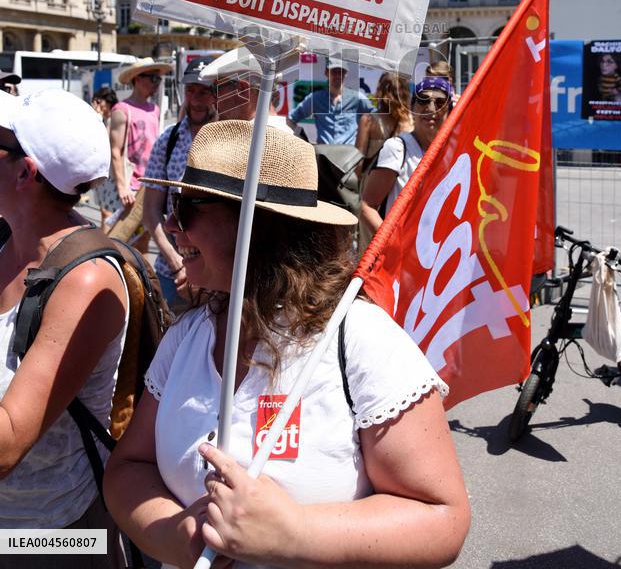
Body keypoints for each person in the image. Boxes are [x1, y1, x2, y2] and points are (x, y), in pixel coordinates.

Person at [104, 121, 470, 569]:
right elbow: (128, 469)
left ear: (256, 225)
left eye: (188, 208)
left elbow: (443, 516)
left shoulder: (358, 339)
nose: (171, 226)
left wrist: (296, 533)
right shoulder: (188, 336)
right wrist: (174, 533)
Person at [0, 89, 128, 565]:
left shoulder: (86, 279)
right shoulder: (7, 238)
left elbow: (8, 443)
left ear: (24, 172)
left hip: (51, 536)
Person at [143, 59, 217, 307]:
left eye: (204, 91)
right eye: (191, 90)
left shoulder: (229, 141)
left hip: (217, 275)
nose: (196, 99)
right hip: (171, 273)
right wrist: (176, 263)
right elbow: (151, 211)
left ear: (217, 94)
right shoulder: (168, 139)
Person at [359, 76, 453, 242]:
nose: (431, 108)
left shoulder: (454, 152)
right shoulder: (398, 148)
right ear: (413, 108)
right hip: (402, 257)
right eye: (423, 100)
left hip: (437, 256)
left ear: (449, 111)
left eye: (440, 103)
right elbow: (367, 206)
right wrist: (392, 246)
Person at [110, 57, 171, 211]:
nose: (157, 83)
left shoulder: (155, 109)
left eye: (159, 79)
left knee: (146, 233)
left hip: (152, 183)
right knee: (123, 234)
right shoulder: (122, 110)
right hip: (131, 187)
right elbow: (115, 151)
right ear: (137, 79)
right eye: (153, 78)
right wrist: (122, 187)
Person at [200, 46, 292, 131]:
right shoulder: (284, 135)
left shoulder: (252, 142)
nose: (212, 100)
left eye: (216, 90)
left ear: (242, 89)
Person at [289, 58, 374, 145]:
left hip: (350, 155)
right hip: (323, 154)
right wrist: (301, 141)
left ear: (346, 74)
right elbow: (291, 118)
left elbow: (377, 117)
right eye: (334, 72)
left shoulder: (357, 98)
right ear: (326, 73)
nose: (338, 76)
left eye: (341, 72)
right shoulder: (316, 98)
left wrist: (365, 144)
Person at [355, 71, 412, 173]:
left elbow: (358, 161)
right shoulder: (412, 121)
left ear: (380, 91)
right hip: (406, 182)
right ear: (405, 92)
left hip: (374, 182)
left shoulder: (368, 120)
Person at [92, 85, 120, 231]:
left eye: (98, 101)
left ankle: (107, 244)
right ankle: (105, 241)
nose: (96, 104)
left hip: (111, 173)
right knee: (104, 212)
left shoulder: (113, 119)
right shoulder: (102, 119)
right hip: (103, 172)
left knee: (109, 214)